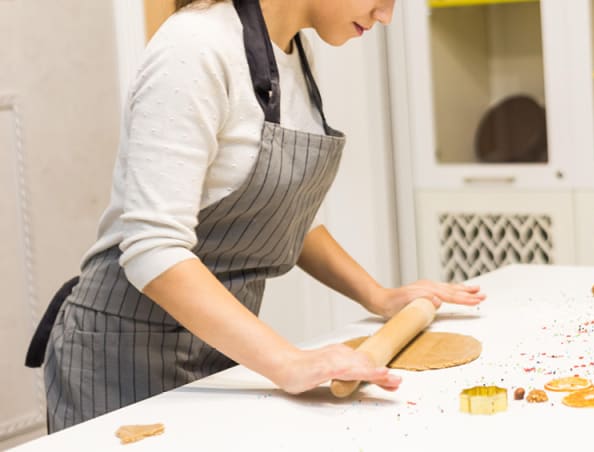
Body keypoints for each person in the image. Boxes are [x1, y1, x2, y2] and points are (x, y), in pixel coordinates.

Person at [25, 0, 485, 432]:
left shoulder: (292, 56)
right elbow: (153, 249)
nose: (386, 15)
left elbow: (282, 219)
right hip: (122, 359)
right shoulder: (194, 47)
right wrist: (286, 361)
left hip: (220, 353)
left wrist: (379, 297)